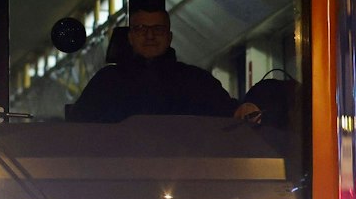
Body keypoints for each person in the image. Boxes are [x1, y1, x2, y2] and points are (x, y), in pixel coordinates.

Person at [66, 8, 262, 124]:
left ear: (169, 37)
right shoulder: (106, 82)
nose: (150, 36)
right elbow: (79, 130)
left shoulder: (197, 82)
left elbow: (230, 116)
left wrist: (246, 109)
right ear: (130, 38)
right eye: (141, 29)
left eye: (157, 29)